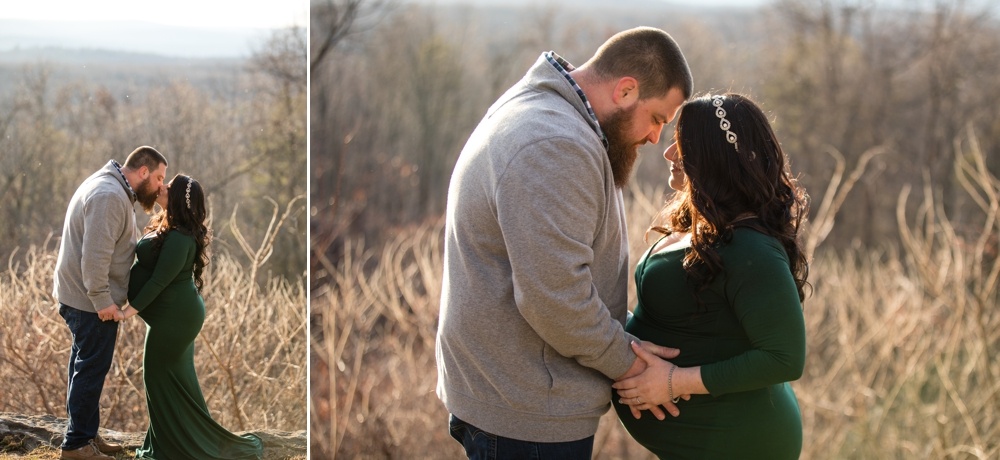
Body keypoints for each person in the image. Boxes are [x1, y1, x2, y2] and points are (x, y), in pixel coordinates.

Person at [435, 27, 693, 458]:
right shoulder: (555, 145)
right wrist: (636, 365)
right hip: (528, 412)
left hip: (514, 394)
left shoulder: (542, 108)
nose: (654, 139)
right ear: (627, 90)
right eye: (658, 119)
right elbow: (555, 299)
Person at [611, 93, 810, 459]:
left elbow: (785, 357)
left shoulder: (753, 249)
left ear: (713, 157)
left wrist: (673, 382)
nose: (669, 154)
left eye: (682, 146)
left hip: (742, 443)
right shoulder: (699, 226)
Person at [118, 174, 264, 459]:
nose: (161, 187)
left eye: (168, 187)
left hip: (175, 320)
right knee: (179, 383)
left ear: (177, 200)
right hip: (174, 317)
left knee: (157, 376)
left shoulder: (180, 238)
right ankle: (174, 441)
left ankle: (173, 448)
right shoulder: (170, 227)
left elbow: (159, 281)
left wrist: (127, 312)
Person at [54, 146, 168, 460]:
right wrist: (103, 300)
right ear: (143, 171)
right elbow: (94, 257)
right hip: (90, 301)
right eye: (158, 177)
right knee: (91, 369)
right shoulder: (109, 196)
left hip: (80, 295)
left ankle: (84, 435)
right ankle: (77, 446)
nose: (161, 186)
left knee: (85, 367)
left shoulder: (112, 188)